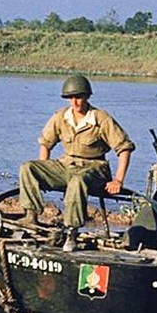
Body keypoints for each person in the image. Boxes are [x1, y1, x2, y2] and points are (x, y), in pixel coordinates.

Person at [18, 75, 135, 252]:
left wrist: (118, 180)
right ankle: (31, 216)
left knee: (78, 180)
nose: (75, 102)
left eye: (79, 97)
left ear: (87, 97)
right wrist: (45, 170)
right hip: (67, 164)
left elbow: (124, 148)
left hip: (94, 168)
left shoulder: (100, 118)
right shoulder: (61, 117)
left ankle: (71, 231)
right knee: (28, 167)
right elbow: (45, 142)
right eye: (71, 98)